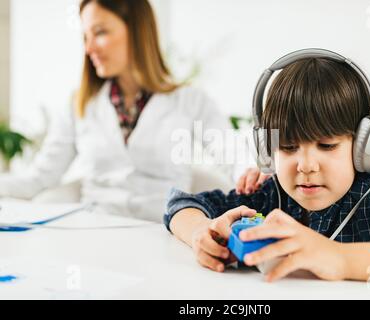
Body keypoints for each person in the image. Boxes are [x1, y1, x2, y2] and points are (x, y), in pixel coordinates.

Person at [164, 49, 370, 287]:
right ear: (267, 149)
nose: (306, 165)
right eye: (288, 147)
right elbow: (181, 203)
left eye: (326, 146)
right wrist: (200, 232)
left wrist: (339, 257)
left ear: (365, 147)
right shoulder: (270, 196)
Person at [0, 0, 230, 222]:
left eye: (100, 32)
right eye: (85, 37)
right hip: (96, 231)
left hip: (164, 232)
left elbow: (231, 154)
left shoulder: (190, 100)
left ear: (137, 30)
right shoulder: (80, 103)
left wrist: (256, 176)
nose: (88, 48)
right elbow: (39, 178)